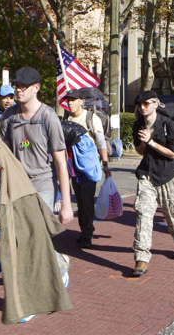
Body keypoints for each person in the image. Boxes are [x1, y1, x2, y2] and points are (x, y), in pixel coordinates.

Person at [0, 66, 74, 321]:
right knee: (21, 243)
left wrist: (65, 203)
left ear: (37, 88)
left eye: (23, 86)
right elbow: (4, 156)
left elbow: (61, 163)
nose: (18, 90)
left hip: (42, 186)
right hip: (16, 187)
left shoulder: (48, 117)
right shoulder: (9, 116)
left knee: (31, 243)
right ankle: (59, 264)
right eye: (16, 86)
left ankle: (29, 304)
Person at [131, 90, 174, 277]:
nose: (142, 107)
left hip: (169, 175)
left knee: (173, 214)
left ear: (156, 104)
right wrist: (143, 142)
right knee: (143, 214)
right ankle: (141, 257)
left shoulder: (169, 125)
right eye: (139, 104)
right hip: (147, 175)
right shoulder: (138, 125)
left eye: (146, 103)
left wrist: (152, 142)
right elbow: (140, 151)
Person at [64, 89, 111, 248]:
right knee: (80, 200)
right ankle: (84, 229)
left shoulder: (92, 118)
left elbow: (101, 143)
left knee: (87, 199)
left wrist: (105, 165)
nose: (70, 103)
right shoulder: (67, 117)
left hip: (89, 167)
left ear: (81, 101)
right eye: (68, 100)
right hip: (73, 166)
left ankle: (87, 233)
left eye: (73, 100)